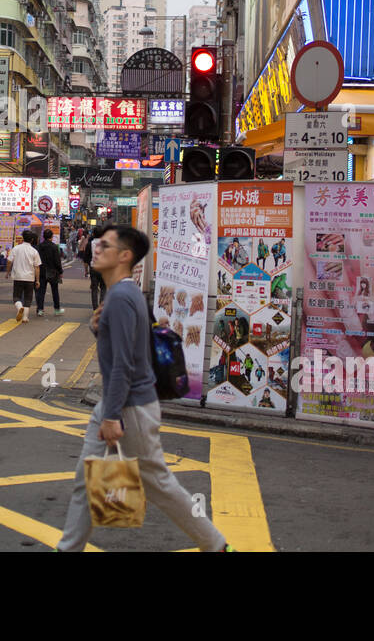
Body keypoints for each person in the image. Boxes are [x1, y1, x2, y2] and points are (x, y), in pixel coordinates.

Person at [57, 226, 231, 552]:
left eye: (105, 245)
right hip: (119, 402)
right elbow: (128, 352)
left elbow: (124, 364)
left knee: (159, 483)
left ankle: (216, 544)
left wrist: (111, 415)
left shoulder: (122, 297)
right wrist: (100, 330)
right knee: (86, 480)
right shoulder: (124, 292)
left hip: (128, 407)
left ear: (125, 256)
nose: (96, 248)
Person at [6, 229, 41, 324]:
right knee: (28, 298)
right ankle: (25, 317)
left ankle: (19, 307)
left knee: (16, 297)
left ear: (23, 238)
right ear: (32, 240)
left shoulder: (16, 248)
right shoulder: (34, 251)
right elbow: (37, 267)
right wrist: (37, 280)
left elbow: (9, 261)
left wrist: (7, 272)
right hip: (30, 278)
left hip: (18, 276)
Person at [36, 228, 64, 317]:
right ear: (51, 237)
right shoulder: (54, 247)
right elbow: (57, 261)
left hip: (42, 271)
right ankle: (57, 309)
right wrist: (60, 271)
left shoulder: (39, 246)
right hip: (53, 271)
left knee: (41, 291)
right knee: (55, 291)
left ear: (43, 237)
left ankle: (40, 309)